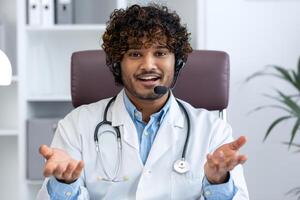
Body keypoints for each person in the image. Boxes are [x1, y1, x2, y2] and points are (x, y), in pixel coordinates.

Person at [36, 4, 249, 200]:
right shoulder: (76, 126)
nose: (148, 65)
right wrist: (65, 182)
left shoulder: (212, 130)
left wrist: (218, 182)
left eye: (160, 53)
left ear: (178, 62)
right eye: (135, 53)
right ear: (117, 64)